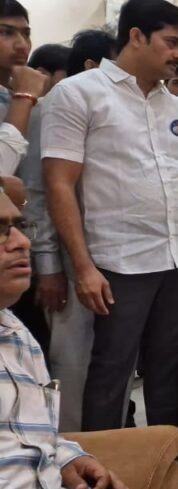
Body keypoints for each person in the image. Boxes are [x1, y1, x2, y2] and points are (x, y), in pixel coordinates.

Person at [0, 189, 178, 489]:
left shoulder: (13, 329)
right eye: (0, 230)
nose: (22, 242)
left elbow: (28, 430)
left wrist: (68, 455)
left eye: (19, 226)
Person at [41, 0, 178, 435]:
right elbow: (59, 184)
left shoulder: (177, 108)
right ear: (137, 36)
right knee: (113, 367)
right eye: (172, 42)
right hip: (120, 260)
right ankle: (106, 463)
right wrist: (82, 267)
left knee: (169, 366)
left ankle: (167, 457)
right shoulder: (79, 93)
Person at [32, 29, 117, 433]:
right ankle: (66, 447)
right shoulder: (52, 107)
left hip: (112, 258)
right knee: (71, 363)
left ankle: (111, 445)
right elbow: (41, 193)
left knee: (110, 361)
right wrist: (48, 266)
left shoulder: (117, 108)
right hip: (69, 261)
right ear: (91, 67)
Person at [9, 42, 70, 351]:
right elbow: (34, 191)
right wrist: (48, 266)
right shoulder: (38, 111)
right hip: (27, 250)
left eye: (25, 33)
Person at [0, 0, 47, 175]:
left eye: (26, 34)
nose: (22, 45)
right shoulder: (23, 98)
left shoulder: (12, 97)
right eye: (6, 32)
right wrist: (24, 96)